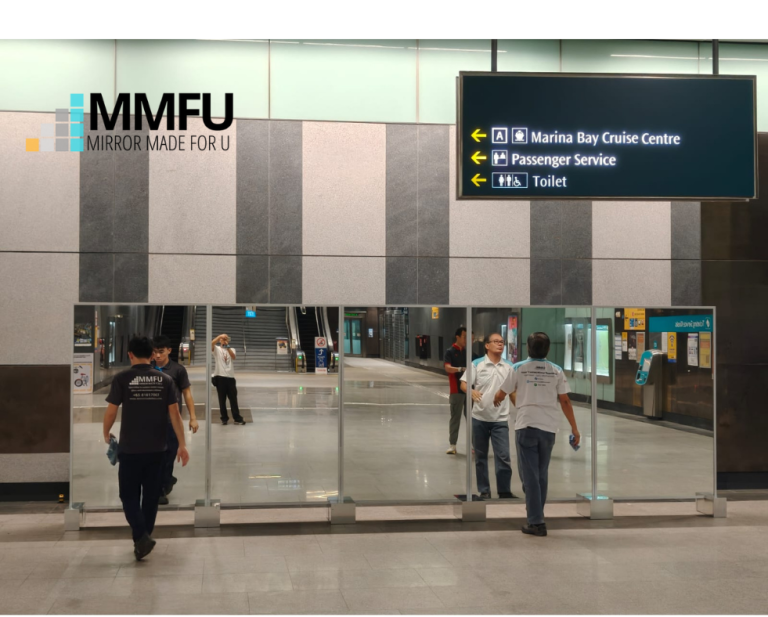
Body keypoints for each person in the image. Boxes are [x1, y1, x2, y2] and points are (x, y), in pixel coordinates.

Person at [103, 336, 190, 560]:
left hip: (130, 450)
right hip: (157, 450)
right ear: (152, 355)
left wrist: (106, 432)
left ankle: (141, 536)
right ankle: (142, 539)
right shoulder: (165, 380)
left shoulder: (122, 379)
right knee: (151, 497)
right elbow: (175, 415)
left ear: (130, 354)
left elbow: (111, 410)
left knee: (128, 495)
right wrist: (182, 444)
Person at [493, 332, 580, 537]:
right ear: (548, 350)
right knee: (541, 474)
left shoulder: (518, 367)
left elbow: (501, 393)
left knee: (529, 476)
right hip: (548, 429)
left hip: (526, 426)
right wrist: (575, 429)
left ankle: (536, 522)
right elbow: (565, 401)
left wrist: (498, 398)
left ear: (527, 348)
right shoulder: (556, 370)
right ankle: (537, 514)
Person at [461, 333, 516, 500]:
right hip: (479, 418)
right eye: (496, 342)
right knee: (481, 457)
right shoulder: (477, 364)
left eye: (502, 342)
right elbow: (463, 383)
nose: (500, 344)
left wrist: (520, 408)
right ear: (487, 345)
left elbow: (512, 391)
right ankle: (484, 490)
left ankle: (504, 491)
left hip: (500, 419)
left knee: (504, 457)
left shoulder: (509, 366)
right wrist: (471, 391)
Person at [152, 335, 199, 505]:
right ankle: (160, 489)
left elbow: (187, 393)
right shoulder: (146, 369)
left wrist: (193, 417)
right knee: (154, 457)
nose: (157, 356)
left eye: (161, 352)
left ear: (169, 351)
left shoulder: (178, 370)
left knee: (169, 456)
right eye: (155, 352)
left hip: (172, 422)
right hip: (151, 423)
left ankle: (165, 483)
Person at [444, 327, 468, 455]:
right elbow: (448, 368)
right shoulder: (450, 352)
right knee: (455, 418)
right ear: (457, 337)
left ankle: (474, 445)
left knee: (471, 418)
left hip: (469, 390)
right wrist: (460, 369)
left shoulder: (468, 352)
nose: (466, 339)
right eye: (464, 336)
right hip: (456, 390)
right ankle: (452, 445)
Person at [212, 333, 245, 425]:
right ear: (219, 340)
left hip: (230, 377)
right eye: (223, 339)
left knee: (233, 399)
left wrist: (227, 346)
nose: (224, 340)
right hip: (220, 377)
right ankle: (224, 418)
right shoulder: (217, 349)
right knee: (222, 400)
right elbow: (211, 344)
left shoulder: (232, 349)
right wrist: (219, 337)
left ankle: (237, 417)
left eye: (226, 339)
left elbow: (233, 357)